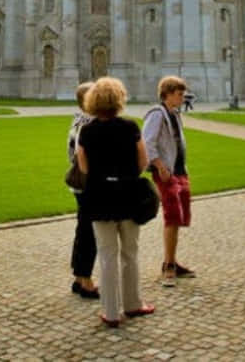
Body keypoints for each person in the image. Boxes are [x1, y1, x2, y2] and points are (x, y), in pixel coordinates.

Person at [76, 77, 154, 327]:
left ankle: (110, 312)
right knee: (130, 252)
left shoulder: (86, 130)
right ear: (119, 100)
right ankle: (133, 304)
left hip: (98, 197)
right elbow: (143, 162)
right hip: (128, 195)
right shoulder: (130, 127)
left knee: (107, 255)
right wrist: (126, 174)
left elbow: (83, 166)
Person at [144, 75, 193, 287]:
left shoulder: (174, 114)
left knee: (180, 216)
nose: (182, 98)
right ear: (168, 94)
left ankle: (172, 259)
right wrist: (159, 166)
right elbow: (147, 143)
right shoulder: (157, 114)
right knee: (172, 216)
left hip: (179, 170)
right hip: (166, 172)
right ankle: (168, 266)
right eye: (179, 94)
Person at [66, 81, 99, 300]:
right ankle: (86, 281)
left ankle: (79, 277)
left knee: (83, 230)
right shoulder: (89, 125)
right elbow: (85, 159)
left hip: (78, 185)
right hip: (89, 185)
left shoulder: (77, 120)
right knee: (91, 233)